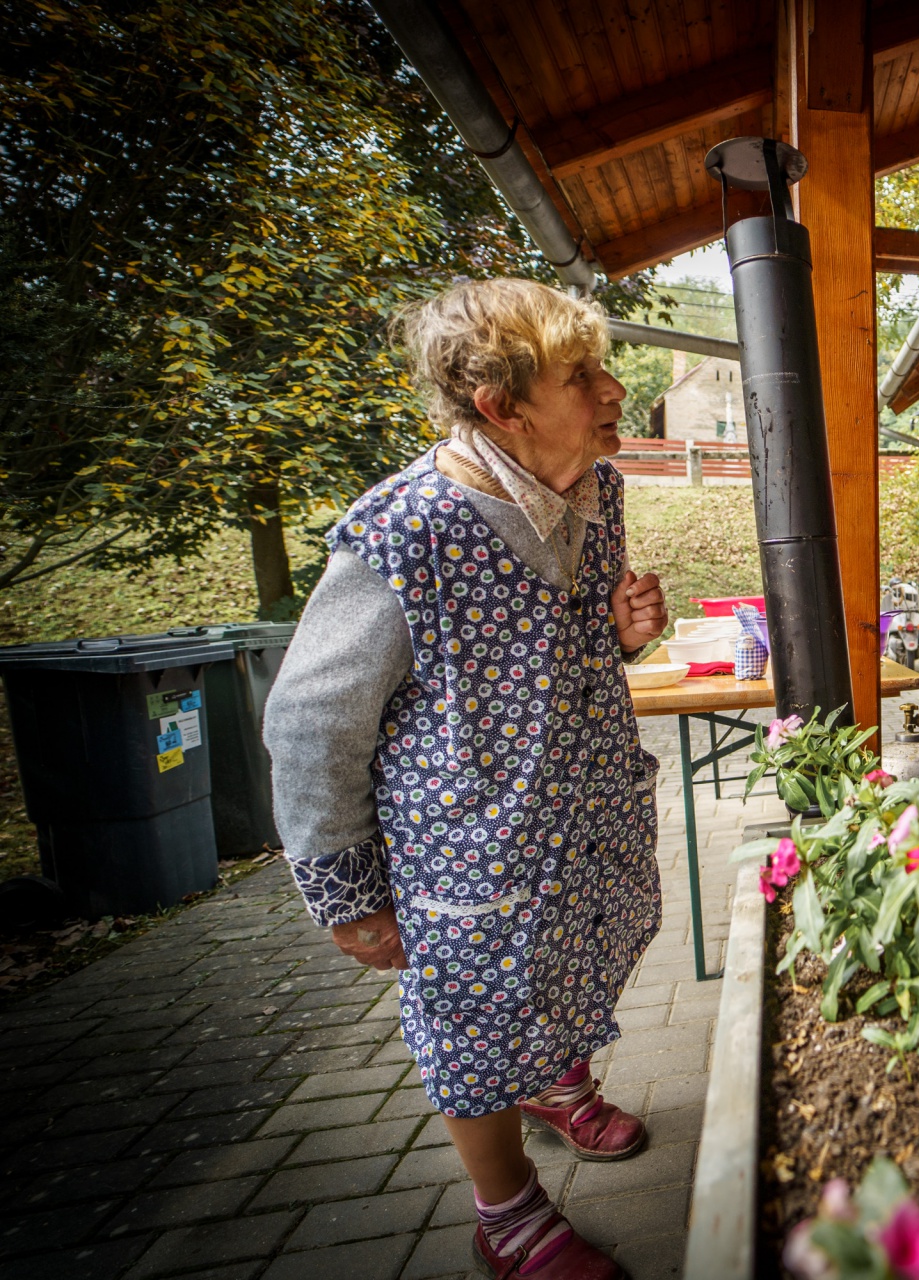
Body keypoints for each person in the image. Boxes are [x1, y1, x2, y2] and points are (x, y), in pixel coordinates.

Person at [264, 278, 670, 1280]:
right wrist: (348, 897)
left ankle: (556, 1085)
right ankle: (508, 1215)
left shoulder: (596, 492)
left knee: (575, 954)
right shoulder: (407, 529)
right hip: (470, 847)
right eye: (581, 375)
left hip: (580, 814)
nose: (614, 388)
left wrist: (621, 634)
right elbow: (312, 723)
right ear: (501, 404)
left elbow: (563, 647)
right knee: (474, 1021)